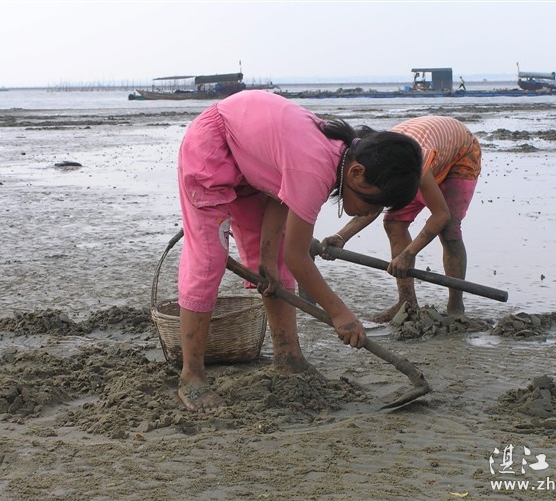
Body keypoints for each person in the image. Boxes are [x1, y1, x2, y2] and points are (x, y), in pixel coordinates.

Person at [176, 90, 422, 412]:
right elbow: (298, 255)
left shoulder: (338, 154)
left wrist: (267, 258)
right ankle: (191, 376)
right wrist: (340, 314)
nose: (371, 212)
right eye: (374, 202)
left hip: (251, 162)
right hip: (213, 145)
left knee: (278, 263)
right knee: (210, 258)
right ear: (357, 173)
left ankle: (288, 357)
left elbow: (281, 191)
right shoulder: (315, 167)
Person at [322, 116, 481, 322]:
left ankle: (455, 306)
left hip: (459, 155)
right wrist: (341, 236)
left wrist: (409, 253)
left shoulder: (411, 161)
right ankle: (407, 302)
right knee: (393, 222)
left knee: (449, 229)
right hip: (427, 157)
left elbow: (441, 214)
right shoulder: (379, 160)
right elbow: (376, 202)